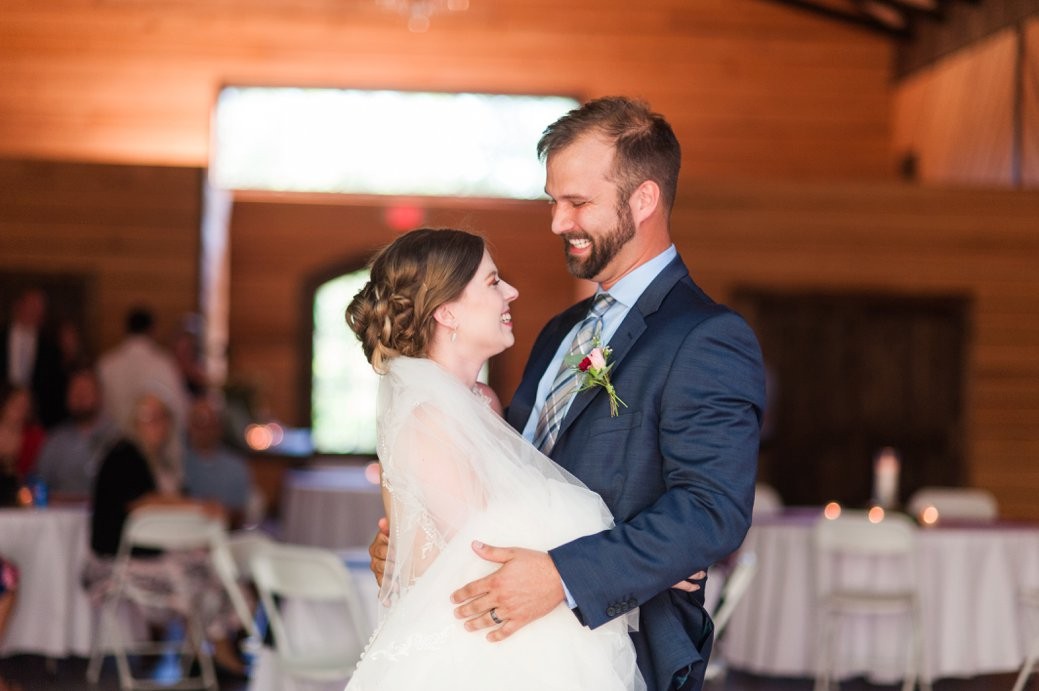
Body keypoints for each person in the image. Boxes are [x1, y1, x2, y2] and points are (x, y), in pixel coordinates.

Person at [371, 97, 766, 691]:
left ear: (644, 199)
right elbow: (506, 479)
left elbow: (711, 510)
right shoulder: (559, 332)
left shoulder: (705, 337)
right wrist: (420, 543)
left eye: (577, 203)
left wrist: (566, 575)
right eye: (552, 202)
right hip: (504, 648)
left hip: (615, 646)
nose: (558, 222)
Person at [344, 228, 644, 690]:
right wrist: (636, 561)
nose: (512, 292)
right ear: (446, 312)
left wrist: (647, 562)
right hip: (467, 646)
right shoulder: (426, 417)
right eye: (492, 282)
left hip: (510, 632)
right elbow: (485, 551)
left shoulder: (480, 401)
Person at [81, 392, 247, 677]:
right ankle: (214, 648)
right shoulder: (124, 454)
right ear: (134, 421)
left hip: (156, 552)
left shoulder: (163, 460)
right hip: (119, 561)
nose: (156, 424)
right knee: (197, 572)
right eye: (148, 417)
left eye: (161, 417)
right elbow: (143, 504)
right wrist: (198, 506)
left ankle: (204, 649)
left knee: (214, 565)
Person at [98, 306, 188, 441]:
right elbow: (181, 410)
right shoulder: (163, 363)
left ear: (126, 329)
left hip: (114, 443)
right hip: (153, 444)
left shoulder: (106, 365)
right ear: (152, 329)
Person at [35, 365, 119, 500]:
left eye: (86, 391)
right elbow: (38, 485)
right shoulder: (55, 440)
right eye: (75, 391)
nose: (80, 397)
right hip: (60, 511)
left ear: (100, 395)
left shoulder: (117, 439)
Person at [182, 396, 254, 529]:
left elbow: (241, 514)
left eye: (211, 423)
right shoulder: (176, 463)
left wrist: (222, 513)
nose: (205, 429)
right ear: (189, 425)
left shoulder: (236, 467)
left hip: (226, 533)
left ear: (220, 427)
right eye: (199, 421)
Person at [0, 289, 65, 428]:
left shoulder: (50, 346)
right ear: (18, 305)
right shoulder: (2, 337)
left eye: (40, 308)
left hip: (37, 420)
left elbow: (54, 387)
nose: (35, 312)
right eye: (32, 305)